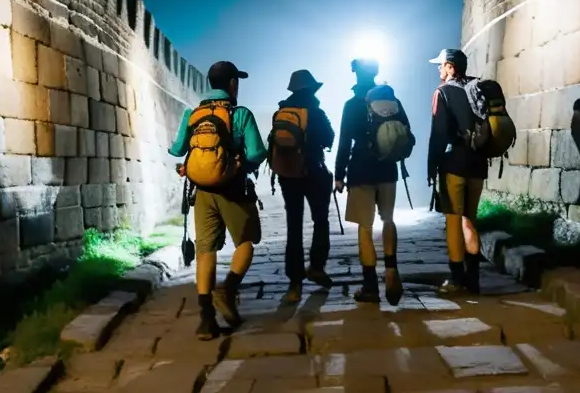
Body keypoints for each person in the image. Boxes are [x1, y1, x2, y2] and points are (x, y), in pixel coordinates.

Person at [169, 61, 267, 340]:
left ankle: (206, 321)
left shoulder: (193, 114)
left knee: (206, 251)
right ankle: (227, 288)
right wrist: (238, 165)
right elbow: (258, 153)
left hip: (201, 192)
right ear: (233, 83)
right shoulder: (240, 114)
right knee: (247, 241)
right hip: (234, 189)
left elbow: (176, 150)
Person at [334, 57, 414, 305]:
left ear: (356, 75)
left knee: (365, 228)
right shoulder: (393, 102)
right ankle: (391, 270)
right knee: (388, 219)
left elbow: (345, 142)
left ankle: (370, 286)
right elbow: (408, 136)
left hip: (360, 171)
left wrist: (339, 175)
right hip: (388, 169)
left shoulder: (352, 104)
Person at [268, 69, 336, 304]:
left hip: (288, 174)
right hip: (313, 171)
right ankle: (316, 266)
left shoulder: (281, 112)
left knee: (293, 226)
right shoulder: (315, 112)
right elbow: (329, 138)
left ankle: (294, 284)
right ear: (311, 90)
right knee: (320, 219)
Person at [427, 48, 490, 296]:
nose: (439, 69)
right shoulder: (479, 88)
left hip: (454, 163)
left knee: (453, 221)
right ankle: (473, 280)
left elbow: (439, 133)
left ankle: (456, 279)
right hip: (478, 162)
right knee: (469, 220)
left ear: (451, 67)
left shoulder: (442, 92)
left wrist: (432, 165)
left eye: (441, 65)